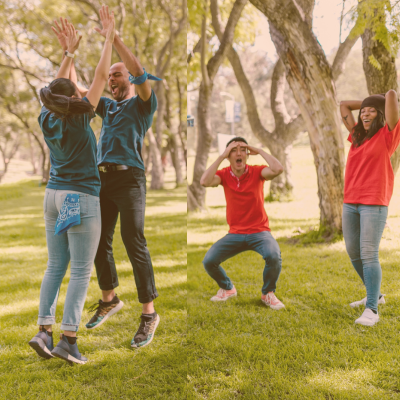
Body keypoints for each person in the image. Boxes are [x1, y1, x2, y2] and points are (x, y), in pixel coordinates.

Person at [28, 11, 115, 364]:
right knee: (80, 270)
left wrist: (68, 54)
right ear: (74, 99)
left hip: (54, 196)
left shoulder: (46, 116)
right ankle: (68, 339)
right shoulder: (81, 115)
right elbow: (98, 77)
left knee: (55, 265)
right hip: (79, 197)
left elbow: (58, 89)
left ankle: (43, 331)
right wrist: (108, 38)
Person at [79, 6, 160, 348]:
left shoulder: (142, 103)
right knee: (97, 241)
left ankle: (148, 314)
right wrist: (72, 52)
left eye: (117, 74)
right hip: (102, 180)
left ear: (128, 78)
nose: (111, 79)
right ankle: (109, 299)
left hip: (130, 180)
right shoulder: (107, 107)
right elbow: (84, 88)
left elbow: (141, 73)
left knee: (133, 241)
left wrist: (116, 39)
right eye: (110, 76)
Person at [200, 137, 285, 309]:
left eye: (242, 150)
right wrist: (220, 157)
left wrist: (259, 151)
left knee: (273, 256)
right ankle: (227, 288)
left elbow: (278, 169)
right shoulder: (223, 175)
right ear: (228, 155)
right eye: (233, 150)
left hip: (259, 232)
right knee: (209, 261)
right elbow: (204, 181)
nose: (238, 153)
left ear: (247, 154)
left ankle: (268, 293)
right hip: (235, 234)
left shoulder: (257, 172)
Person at [340, 90, 400, 326]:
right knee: (353, 252)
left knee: (368, 254)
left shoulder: (388, 135)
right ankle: (377, 294)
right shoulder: (356, 136)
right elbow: (344, 104)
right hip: (350, 201)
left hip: (373, 202)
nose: (364, 114)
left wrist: (380, 101)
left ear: (381, 114)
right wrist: (368, 102)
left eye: (370, 111)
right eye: (363, 111)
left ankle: (372, 309)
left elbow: (392, 95)